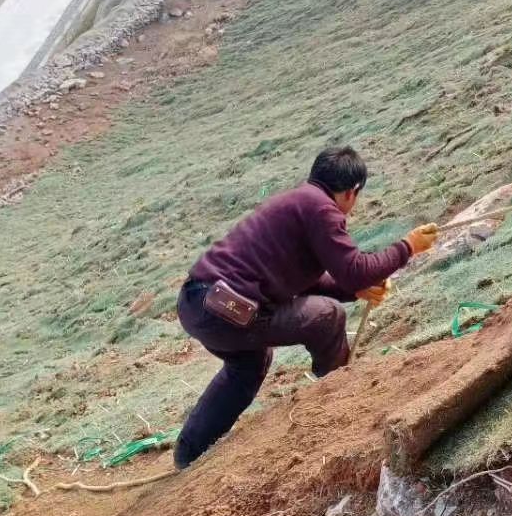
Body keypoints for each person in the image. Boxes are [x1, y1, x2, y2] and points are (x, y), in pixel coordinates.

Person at [175, 146, 438, 468]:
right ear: (352, 192)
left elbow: (306, 281)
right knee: (328, 315)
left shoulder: (299, 203)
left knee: (248, 365)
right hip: (230, 308)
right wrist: (407, 247)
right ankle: (336, 394)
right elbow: (354, 269)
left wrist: (356, 292)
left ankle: (189, 453)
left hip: (201, 303)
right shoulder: (321, 209)